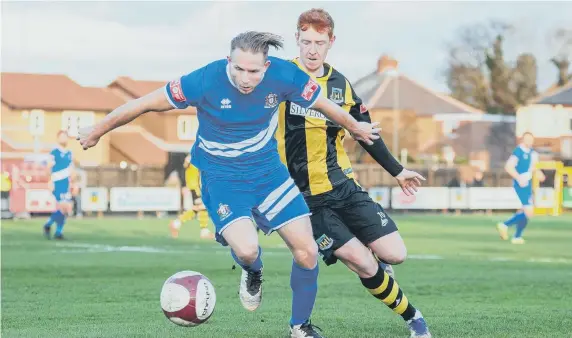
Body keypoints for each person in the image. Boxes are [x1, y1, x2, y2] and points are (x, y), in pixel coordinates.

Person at [77, 31, 380, 338]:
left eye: (254, 71)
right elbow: (145, 104)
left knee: (307, 251)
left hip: (268, 173)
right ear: (228, 61)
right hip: (221, 178)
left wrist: (355, 126)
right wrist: (98, 130)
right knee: (248, 250)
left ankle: (300, 327)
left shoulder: (286, 75)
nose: (245, 78)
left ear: (267, 66)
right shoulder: (204, 80)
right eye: (238, 69)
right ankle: (252, 270)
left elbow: (323, 103)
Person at [275, 9, 430, 337]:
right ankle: (414, 318)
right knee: (362, 263)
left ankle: (373, 252)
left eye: (319, 42)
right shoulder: (280, 76)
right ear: (297, 40)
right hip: (305, 201)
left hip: (343, 185)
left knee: (396, 254)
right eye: (306, 42)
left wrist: (398, 171)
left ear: (331, 42)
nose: (312, 50)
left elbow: (365, 132)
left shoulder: (340, 85)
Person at [496, 132, 545, 244]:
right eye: (527, 139)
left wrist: (539, 173)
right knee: (529, 211)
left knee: (523, 212)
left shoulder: (533, 153)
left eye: (531, 139)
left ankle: (517, 237)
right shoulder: (518, 151)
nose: (529, 141)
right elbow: (508, 167)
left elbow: (533, 168)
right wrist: (519, 178)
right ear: (523, 140)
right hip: (521, 184)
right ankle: (505, 225)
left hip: (528, 184)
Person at [169, 154, 214, 239]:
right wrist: (184, 185)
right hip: (195, 187)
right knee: (201, 206)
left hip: (197, 187)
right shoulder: (193, 157)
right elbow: (184, 170)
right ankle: (176, 223)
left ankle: (203, 231)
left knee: (201, 207)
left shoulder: (197, 156)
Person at [44, 130, 74, 240]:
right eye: (62, 137)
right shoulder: (54, 153)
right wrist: (49, 181)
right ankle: (57, 231)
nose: (64, 139)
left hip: (66, 183)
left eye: (65, 137)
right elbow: (48, 168)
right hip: (57, 182)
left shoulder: (69, 153)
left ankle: (50, 226)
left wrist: (73, 183)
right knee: (63, 207)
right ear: (58, 139)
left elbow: (71, 169)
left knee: (67, 209)